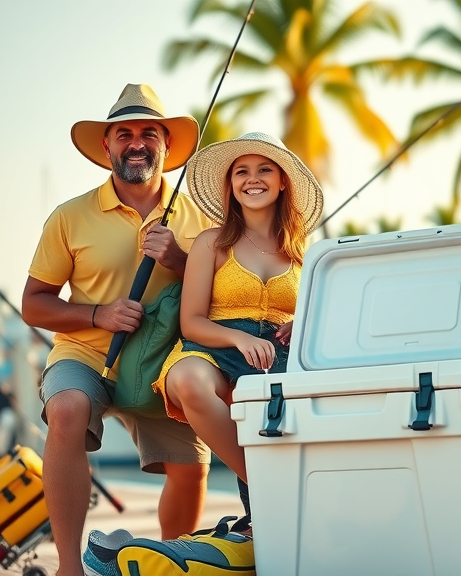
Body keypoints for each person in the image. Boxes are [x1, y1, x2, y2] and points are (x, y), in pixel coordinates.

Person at [21, 83, 214, 576]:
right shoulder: (69, 216)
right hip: (86, 356)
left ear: (167, 145)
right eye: (124, 133)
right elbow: (33, 304)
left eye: (149, 133)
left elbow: (222, 296)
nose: (136, 143)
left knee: (192, 468)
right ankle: (69, 567)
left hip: (165, 362)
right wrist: (98, 315)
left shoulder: (204, 218)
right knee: (66, 408)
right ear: (107, 145)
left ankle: (173, 565)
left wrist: (181, 260)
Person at [153, 131, 323, 533]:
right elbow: (192, 321)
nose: (252, 179)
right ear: (230, 184)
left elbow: (323, 313)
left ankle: (269, 518)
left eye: (265, 169)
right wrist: (240, 338)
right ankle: (272, 490)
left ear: (283, 182)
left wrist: (303, 323)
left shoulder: (306, 250)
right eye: (241, 171)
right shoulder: (211, 242)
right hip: (214, 346)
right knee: (188, 381)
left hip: (280, 356)